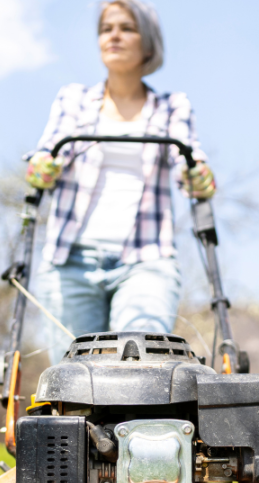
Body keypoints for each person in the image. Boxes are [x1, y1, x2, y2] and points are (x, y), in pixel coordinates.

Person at [26, 0, 216, 365]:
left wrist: (198, 175)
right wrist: (41, 167)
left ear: (148, 43)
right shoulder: (74, 99)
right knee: (76, 381)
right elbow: (45, 158)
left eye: (126, 28)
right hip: (71, 261)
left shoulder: (172, 106)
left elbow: (190, 161)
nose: (113, 35)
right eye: (106, 28)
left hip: (146, 261)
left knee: (141, 369)